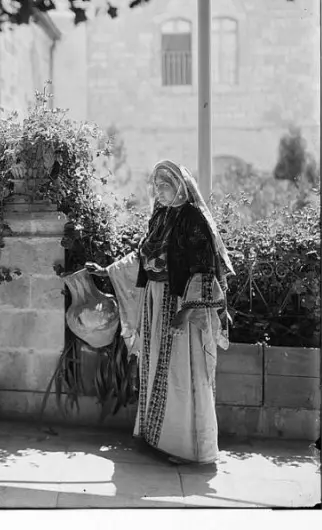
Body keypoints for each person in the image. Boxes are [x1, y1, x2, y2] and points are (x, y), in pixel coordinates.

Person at [86, 160, 234, 465]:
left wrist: (185, 312)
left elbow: (204, 270)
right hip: (155, 301)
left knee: (182, 370)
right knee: (157, 369)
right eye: (156, 185)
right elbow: (144, 256)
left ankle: (188, 449)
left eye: (163, 185)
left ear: (179, 185)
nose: (158, 190)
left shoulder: (193, 219)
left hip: (180, 304)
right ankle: (157, 438)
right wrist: (109, 271)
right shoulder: (161, 215)